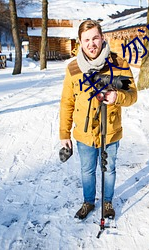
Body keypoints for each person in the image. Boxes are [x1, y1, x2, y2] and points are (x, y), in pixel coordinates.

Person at [59, 20, 137, 220]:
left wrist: (117, 97)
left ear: (103, 38)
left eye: (95, 38)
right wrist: (64, 134)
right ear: (80, 42)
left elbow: (132, 95)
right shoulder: (73, 68)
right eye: (86, 40)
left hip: (110, 130)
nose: (91, 43)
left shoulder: (119, 64)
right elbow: (67, 102)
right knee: (87, 170)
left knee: (109, 168)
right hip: (84, 133)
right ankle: (88, 202)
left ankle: (108, 202)